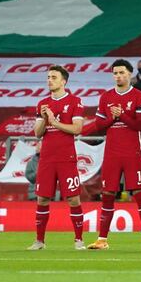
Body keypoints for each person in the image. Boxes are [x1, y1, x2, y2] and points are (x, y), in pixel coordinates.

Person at [86, 59, 141, 251]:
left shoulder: (139, 95)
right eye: (115, 73)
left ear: (130, 74)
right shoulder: (106, 97)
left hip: (132, 152)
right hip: (112, 153)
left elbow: (140, 126)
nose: (118, 76)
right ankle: (102, 239)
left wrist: (121, 115)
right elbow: (99, 126)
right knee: (107, 194)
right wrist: (113, 117)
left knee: (140, 194)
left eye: (122, 72)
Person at [27, 66, 86, 251]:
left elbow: (77, 129)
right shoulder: (42, 104)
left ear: (63, 81)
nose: (49, 80)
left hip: (66, 157)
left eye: (54, 77)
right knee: (42, 199)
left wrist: (55, 122)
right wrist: (45, 119)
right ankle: (39, 241)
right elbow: (37, 134)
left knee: (73, 199)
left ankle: (78, 240)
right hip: (46, 159)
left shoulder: (75, 101)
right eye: (48, 77)